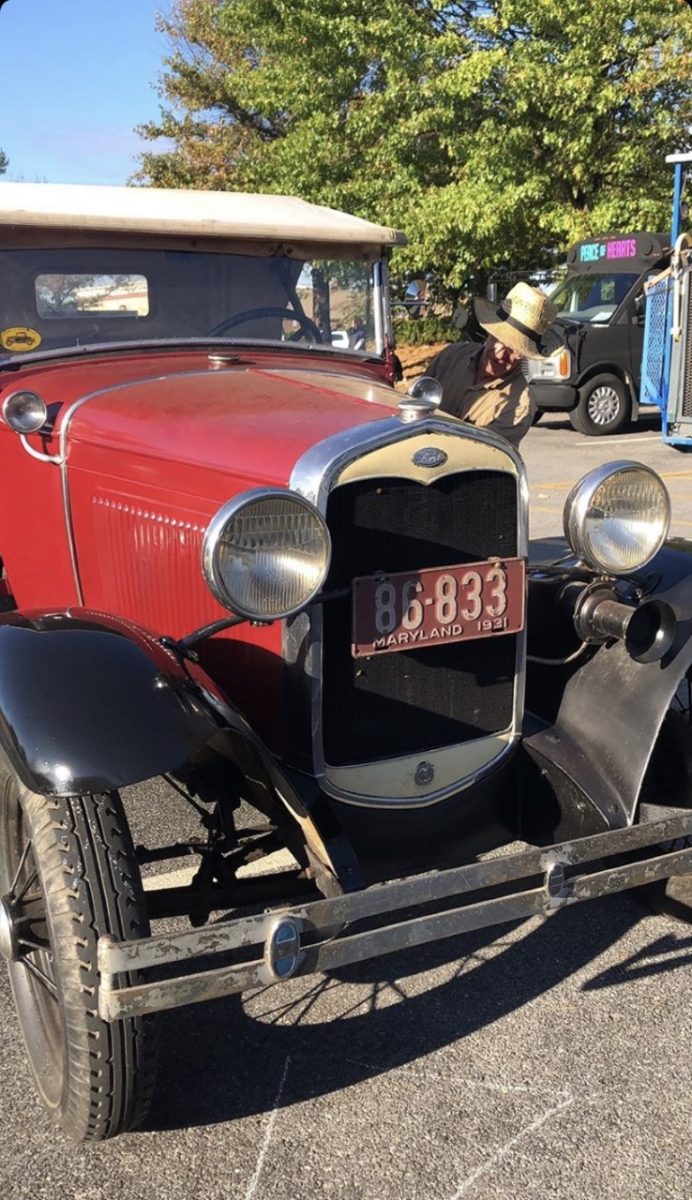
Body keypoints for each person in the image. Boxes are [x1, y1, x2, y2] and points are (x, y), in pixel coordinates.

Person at [427, 282, 558, 448]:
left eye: (513, 349)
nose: (500, 353)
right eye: (497, 339)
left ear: (524, 355)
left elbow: (477, 452)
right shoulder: (451, 356)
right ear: (488, 334)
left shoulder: (520, 405)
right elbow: (411, 402)